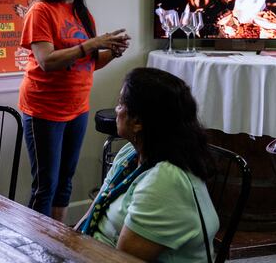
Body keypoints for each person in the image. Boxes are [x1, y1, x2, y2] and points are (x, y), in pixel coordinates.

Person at [19, 0, 130, 221]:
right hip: (44, 109)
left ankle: (61, 244)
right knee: (46, 186)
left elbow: (88, 62)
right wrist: (92, 43)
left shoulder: (82, 14)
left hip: (77, 107)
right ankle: (39, 248)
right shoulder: (41, 11)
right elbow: (46, 61)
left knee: (65, 182)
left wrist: (112, 53)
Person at [75, 68, 219, 262]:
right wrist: (69, 241)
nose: (116, 110)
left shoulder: (166, 182)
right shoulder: (130, 154)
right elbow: (96, 209)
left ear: (138, 123)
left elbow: (123, 260)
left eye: (120, 103)